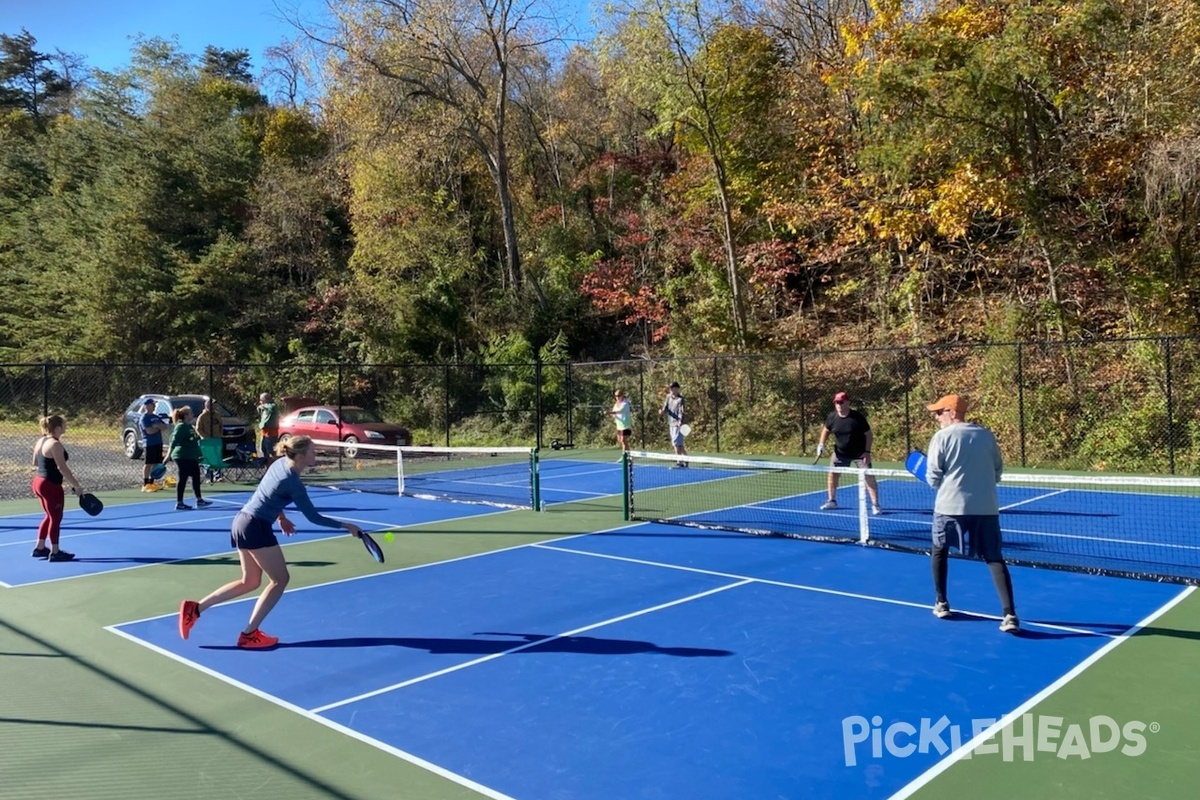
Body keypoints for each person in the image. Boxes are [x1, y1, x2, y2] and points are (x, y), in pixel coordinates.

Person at [177, 435, 364, 649]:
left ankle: (196, 609)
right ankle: (249, 635)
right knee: (280, 579)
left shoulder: (278, 464)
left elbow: (268, 493)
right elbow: (314, 517)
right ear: (301, 455)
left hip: (241, 521)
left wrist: (281, 517)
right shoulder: (293, 483)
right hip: (255, 526)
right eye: (312, 451)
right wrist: (347, 526)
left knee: (250, 582)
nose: (316, 454)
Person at [925, 393, 1019, 633]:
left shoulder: (941, 437)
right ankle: (1010, 615)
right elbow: (997, 471)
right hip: (986, 507)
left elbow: (933, 476)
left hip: (949, 508)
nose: (936, 417)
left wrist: (942, 481)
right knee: (994, 557)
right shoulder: (987, 436)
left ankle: (941, 602)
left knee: (939, 550)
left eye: (939, 412)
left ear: (952, 413)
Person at [816, 391, 881, 514]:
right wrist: (821, 444)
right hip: (840, 453)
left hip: (860, 454)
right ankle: (832, 501)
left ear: (848, 403)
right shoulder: (832, 417)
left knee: (868, 476)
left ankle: (875, 505)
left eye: (841, 402)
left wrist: (867, 452)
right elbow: (826, 430)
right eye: (836, 402)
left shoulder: (857, 418)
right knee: (832, 475)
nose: (838, 405)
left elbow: (869, 435)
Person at [31, 415, 85, 562]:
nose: (65, 426)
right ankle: (55, 552)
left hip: (38, 482)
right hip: (50, 485)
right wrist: (76, 485)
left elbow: (35, 462)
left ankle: (40, 547)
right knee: (56, 518)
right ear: (58, 428)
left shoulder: (41, 441)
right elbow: (62, 467)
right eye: (64, 424)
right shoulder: (55, 444)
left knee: (49, 516)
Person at [165, 406, 212, 511]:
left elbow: (194, 442)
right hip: (182, 456)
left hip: (191, 457)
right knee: (183, 478)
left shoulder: (189, 426)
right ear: (186, 415)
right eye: (190, 413)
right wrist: (168, 455)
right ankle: (179, 503)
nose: (192, 414)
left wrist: (199, 454)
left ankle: (199, 500)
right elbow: (174, 440)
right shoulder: (181, 426)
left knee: (196, 476)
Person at [140, 397, 170, 491]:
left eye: (154, 404)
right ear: (147, 406)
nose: (154, 406)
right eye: (152, 404)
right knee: (148, 463)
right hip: (149, 444)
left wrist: (157, 426)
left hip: (158, 443)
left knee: (156, 463)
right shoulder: (144, 418)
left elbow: (164, 427)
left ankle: (152, 483)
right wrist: (158, 427)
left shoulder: (156, 417)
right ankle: (146, 484)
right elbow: (149, 431)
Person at [658, 381, 688, 467]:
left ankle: (679, 461)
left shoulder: (680, 399)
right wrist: (662, 411)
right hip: (671, 423)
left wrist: (680, 421)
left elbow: (681, 411)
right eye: (670, 388)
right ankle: (686, 459)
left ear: (677, 389)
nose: (671, 389)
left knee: (675, 443)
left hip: (679, 424)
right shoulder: (668, 397)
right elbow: (665, 408)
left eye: (672, 388)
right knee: (679, 443)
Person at [195, 398, 225, 483]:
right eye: (211, 404)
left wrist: (219, 435)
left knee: (217, 457)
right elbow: (198, 429)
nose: (213, 406)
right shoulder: (202, 416)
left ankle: (218, 476)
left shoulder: (217, 415)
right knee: (208, 458)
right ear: (206, 405)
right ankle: (208, 476)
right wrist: (205, 437)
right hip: (207, 441)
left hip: (216, 440)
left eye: (214, 404)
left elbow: (221, 426)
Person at [608, 389, 633, 460]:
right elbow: (614, 411)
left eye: (618, 396)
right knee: (620, 440)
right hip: (619, 425)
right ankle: (629, 455)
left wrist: (609, 413)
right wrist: (612, 415)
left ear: (622, 396)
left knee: (623, 440)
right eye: (616, 396)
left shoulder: (625, 404)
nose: (617, 397)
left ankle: (624, 456)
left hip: (626, 425)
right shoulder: (616, 404)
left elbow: (619, 411)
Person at [257, 392, 280, 460]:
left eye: (262, 399)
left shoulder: (273, 405)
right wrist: (260, 407)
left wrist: (263, 406)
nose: (260, 401)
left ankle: (274, 462)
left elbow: (270, 408)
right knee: (263, 448)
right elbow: (260, 411)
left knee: (270, 449)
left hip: (271, 431)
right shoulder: (264, 407)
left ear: (266, 399)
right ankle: (266, 462)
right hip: (264, 430)